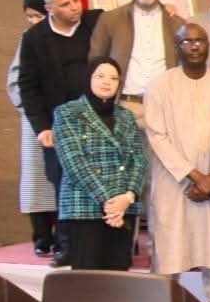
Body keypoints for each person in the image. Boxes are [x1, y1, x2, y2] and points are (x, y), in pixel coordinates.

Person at [142, 23, 210, 302]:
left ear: (209, 46)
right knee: (168, 259)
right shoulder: (159, 86)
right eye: (187, 41)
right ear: (176, 47)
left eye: (200, 41)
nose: (194, 46)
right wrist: (195, 176)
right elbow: (157, 136)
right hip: (174, 184)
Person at [18, 0, 104, 265]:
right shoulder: (34, 38)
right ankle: (66, 247)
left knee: (100, 181)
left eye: (76, 0)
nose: (75, 7)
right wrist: (41, 127)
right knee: (64, 184)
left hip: (95, 119)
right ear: (49, 9)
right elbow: (28, 86)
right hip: (58, 123)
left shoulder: (94, 23)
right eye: (65, 4)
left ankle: (99, 246)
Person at [52, 57, 147, 270]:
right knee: (87, 280)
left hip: (123, 208)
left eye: (113, 78)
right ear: (88, 79)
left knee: (119, 276)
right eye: (100, 76)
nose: (107, 82)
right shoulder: (67, 113)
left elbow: (139, 160)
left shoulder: (126, 116)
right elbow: (74, 162)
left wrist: (127, 197)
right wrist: (109, 202)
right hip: (85, 206)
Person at [88, 0, 185, 126]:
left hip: (165, 109)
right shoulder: (110, 19)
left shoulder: (178, 24)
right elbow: (95, 62)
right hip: (123, 107)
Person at [8, 0, 54, 256]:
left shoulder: (63, 38)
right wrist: (30, 108)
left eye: (38, 15)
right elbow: (15, 81)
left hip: (63, 116)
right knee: (37, 180)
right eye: (30, 16)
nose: (34, 21)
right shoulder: (27, 40)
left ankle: (64, 236)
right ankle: (41, 236)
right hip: (35, 118)